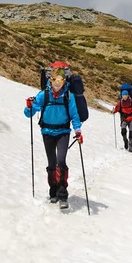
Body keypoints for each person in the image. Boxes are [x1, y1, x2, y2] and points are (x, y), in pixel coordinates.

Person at [24, 61, 82, 206]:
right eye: (55, 80)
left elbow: (74, 115)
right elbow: (29, 113)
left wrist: (78, 130)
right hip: (47, 132)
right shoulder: (44, 94)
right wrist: (29, 107)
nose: (58, 84)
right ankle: (53, 191)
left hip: (63, 132)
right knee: (51, 163)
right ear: (51, 79)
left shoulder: (69, 95)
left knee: (61, 162)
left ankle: (63, 194)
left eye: (61, 80)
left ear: (64, 80)